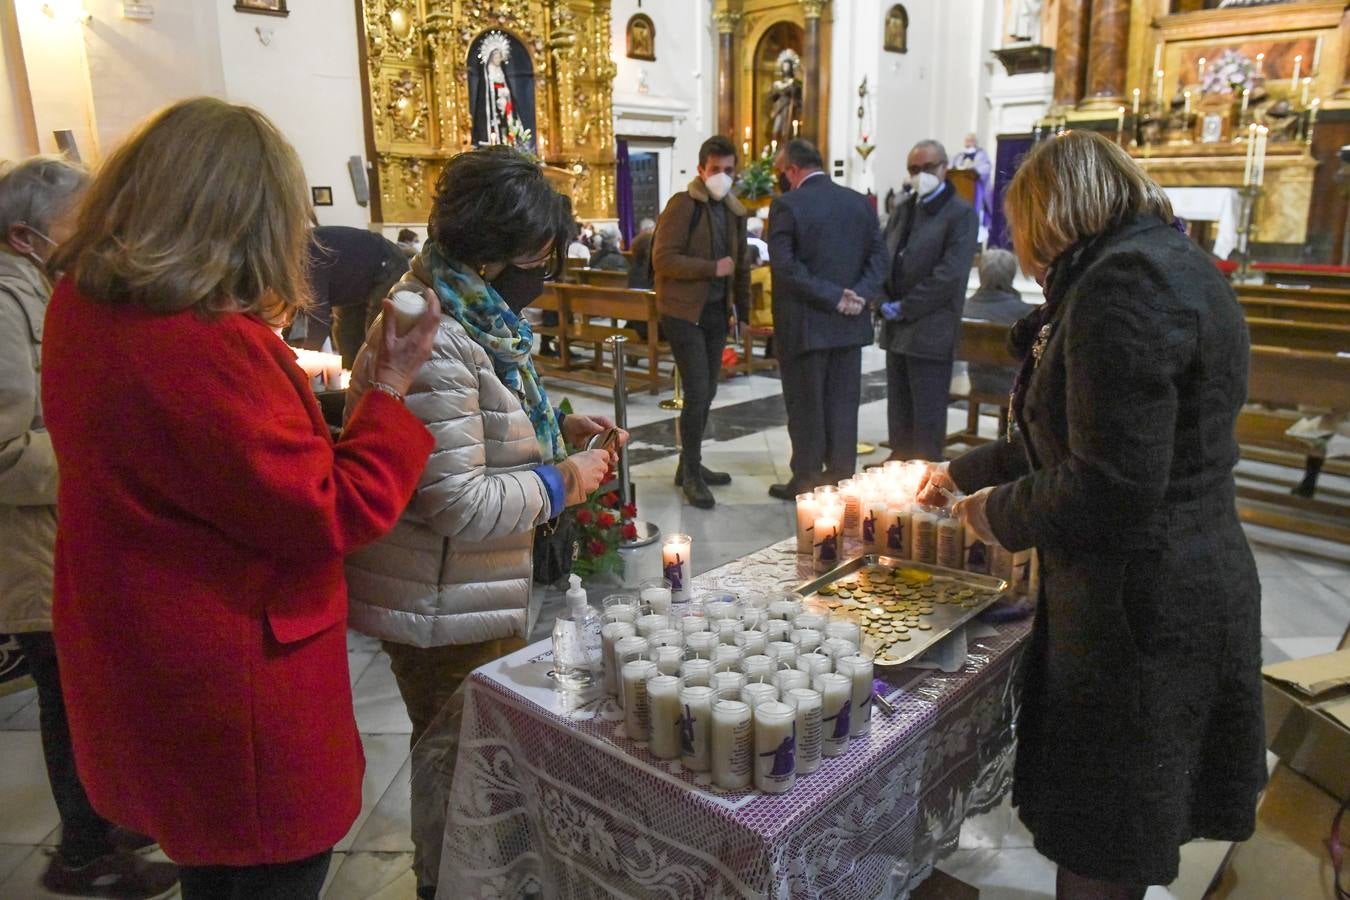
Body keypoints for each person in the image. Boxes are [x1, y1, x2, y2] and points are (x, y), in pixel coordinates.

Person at [43, 97, 441, 899]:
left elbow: (211, 473)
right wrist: (390, 387)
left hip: (144, 643)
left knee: (211, 870)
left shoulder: (82, 303)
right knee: (263, 873)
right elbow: (330, 510)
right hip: (232, 681)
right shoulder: (205, 344)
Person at [921, 131, 1264, 900]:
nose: (1029, 257)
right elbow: (1070, 429)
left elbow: (1111, 480)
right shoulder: (1169, 263)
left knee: (1106, 834)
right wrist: (955, 471)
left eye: (1027, 233)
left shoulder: (1123, 287)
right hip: (1174, 583)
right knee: (1116, 830)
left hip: (1141, 609)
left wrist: (987, 514)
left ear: (1052, 215)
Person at [343, 146, 621, 900]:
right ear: (496, 254)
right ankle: (447, 885)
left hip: (459, 591)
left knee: (465, 757)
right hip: (438, 600)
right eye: (539, 254)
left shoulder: (463, 309)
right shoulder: (436, 337)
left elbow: (473, 431)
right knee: (456, 765)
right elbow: (456, 501)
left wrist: (556, 426)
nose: (547, 270)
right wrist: (566, 480)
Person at [0, 157, 179, 898]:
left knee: (98, 694)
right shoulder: (5, 305)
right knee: (66, 700)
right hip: (33, 549)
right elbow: (6, 453)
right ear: (25, 235)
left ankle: (110, 816)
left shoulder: (45, 290)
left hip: (74, 535)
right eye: (82, 225)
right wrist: (105, 443)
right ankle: (81, 854)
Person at [766, 139, 887, 499]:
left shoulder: (787, 205)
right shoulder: (858, 202)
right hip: (849, 326)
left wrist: (834, 297)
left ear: (791, 170)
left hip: (805, 326)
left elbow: (785, 267)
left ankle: (805, 482)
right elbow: (880, 258)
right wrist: (858, 295)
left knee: (805, 406)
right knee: (843, 405)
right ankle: (840, 478)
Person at [652, 135, 750, 508]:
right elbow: (663, 259)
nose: (722, 176)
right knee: (696, 391)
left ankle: (688, 464)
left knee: (707, 391)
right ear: (701, 170)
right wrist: (711, 268)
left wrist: (742, 311)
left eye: (728, 170)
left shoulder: (733, 211)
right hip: (681, 311)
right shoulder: (683, 205)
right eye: (715, 170)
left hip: (714, 313)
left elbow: (739, 267)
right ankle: (691, 474)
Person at [879, 139, 978, 462]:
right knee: (899, 406)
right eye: (914, 169)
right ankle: (898, 466)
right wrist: (881, 297)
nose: (921, 174)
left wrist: (905, 307)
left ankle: (924, 477)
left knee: (927, 414)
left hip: (930, 327)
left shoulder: (960, 214)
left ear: (944, 168)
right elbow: (884, 255)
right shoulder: (904, 208)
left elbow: (949, 276)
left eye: (928, 168)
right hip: (896, 329)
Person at [296, 225, 410, 368]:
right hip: (353, 281)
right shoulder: (291, 264)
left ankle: (378, 384)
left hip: (386, 263)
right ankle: (352, 380)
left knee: (376, 336)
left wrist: (299, 367)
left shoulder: (307, 258)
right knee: (346, 337)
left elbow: (318, 322)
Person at [962, 247, 1034, 397]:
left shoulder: (964, 309)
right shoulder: (1025, 314)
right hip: (1012, 386)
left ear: (981, 274)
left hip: (975, 382)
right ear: (1011, 275)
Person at [954, 132, 994, 232]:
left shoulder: (981, 154)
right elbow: (952, 169)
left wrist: (973, 169)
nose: (968, 143)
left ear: (975, 142)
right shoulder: (959, 156)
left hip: (975, 189)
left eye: (971, 140)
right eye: (967, 140)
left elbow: (985, 168)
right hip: (960, 189)